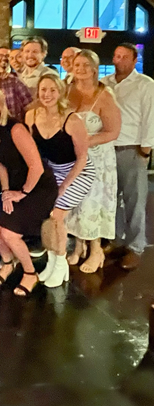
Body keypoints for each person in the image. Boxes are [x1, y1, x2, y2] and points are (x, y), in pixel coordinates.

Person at [0, 86, 58, 296]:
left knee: (10, 233)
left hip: (38, 187)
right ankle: (7, 262)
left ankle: (30, 273)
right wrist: (6, 192)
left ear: (2, 105)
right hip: (14, 186)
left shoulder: (15, 128)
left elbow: (37, 167)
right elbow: (0, 165)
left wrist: (22, 193)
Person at [26, 74, 95, 288]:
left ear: (61, 92)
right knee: (47, 217)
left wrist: (64, 184)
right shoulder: (30, 116)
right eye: (43, 90)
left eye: (52, 90)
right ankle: (55, 262)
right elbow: (32, 153)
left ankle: (61, 261)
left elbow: (82, 157)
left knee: (57, 215)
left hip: (77, 171)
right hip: (51, 171)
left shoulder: (72, 120)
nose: (47, 94)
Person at [67, 50, 121, 273]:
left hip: (97, 159)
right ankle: (79, 245)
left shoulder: (104, 95)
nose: (80, 69)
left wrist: (86, 141)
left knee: (92, 203)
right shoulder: (67, 90)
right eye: (77, 64)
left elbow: (113, 131)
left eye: (86, 65)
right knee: (75, 201)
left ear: (95, 69)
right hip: (72, 156)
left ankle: (96, 248)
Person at [102, 43, 154, 271]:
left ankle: (135, 247)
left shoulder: (145, 84)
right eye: (116, 55)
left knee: (134, 200)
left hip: (132, 148)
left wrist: (146, 147)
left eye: (124, 57)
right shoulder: (105, 84)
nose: (118, 60)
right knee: (111, 200)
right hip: (107, 148)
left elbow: (151, 116)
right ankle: (115, 240)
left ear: (134, 60)